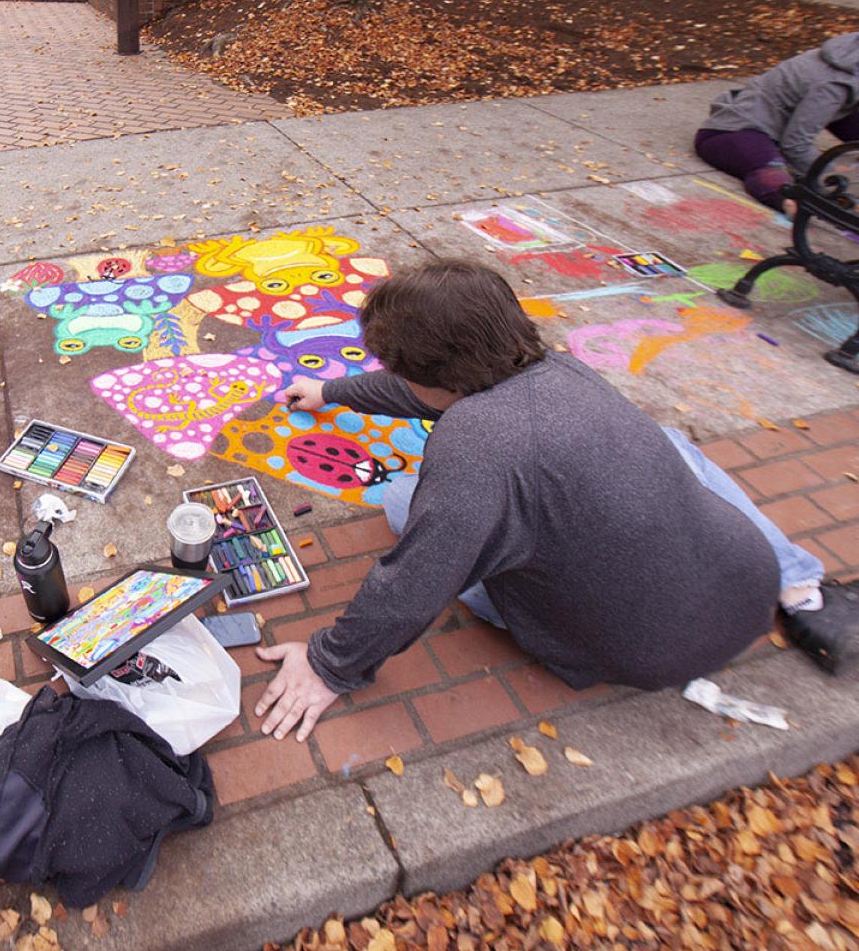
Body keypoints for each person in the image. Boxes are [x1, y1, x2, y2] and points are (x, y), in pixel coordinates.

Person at [254, 261, 850, 743]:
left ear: (430, 375)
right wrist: (332, 390)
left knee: (405, 499)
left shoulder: (477, 444)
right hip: (747, 582)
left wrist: (331, 664)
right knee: (664, 443)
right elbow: (427, 390)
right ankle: (797, 583)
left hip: (645, 651)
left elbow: (417, 580)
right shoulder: (557, 369)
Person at [695, 33, 859, 214]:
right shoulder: (836, 85)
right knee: (774, 173)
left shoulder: (849, 57)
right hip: (732, 132)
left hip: (769, 125)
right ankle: (789, 205)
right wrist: (831, 175)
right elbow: (796, 144)